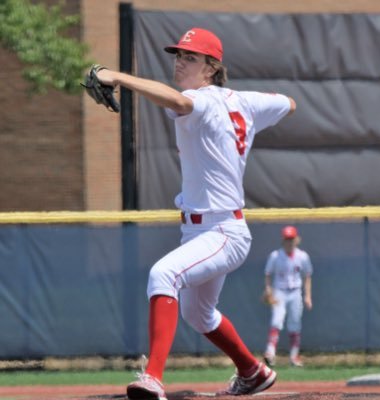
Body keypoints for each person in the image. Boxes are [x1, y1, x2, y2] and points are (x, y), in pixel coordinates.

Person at [95, 27, 296, 400]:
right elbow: (288, 103)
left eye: (190, 57)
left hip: (222, 231)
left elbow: (181, 103)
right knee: (199, 315)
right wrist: (257, 107)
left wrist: (118, 76)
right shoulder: (244, 101)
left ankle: (152, 377)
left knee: (163, 274)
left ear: (211, 68)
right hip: (205, 230)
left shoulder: (199, 99)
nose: (180, 62)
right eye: (178, 55)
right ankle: (252, 371)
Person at [262, 225, 313, 368]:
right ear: (282, 240)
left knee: (295, 323)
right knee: (277, 320)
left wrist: (308, 296)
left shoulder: (302, 256)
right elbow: (267, 274)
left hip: (295, 291)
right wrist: (268, 290)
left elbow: (307, 276)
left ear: (297, 240)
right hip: (280, 291)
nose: (289, 242)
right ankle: (270, 354)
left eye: (291, 239)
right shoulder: (275, 256)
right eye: (287, 239)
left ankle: (294, 356)